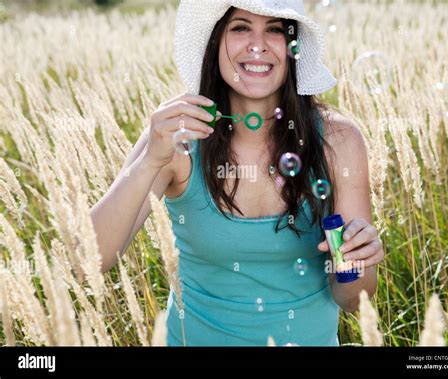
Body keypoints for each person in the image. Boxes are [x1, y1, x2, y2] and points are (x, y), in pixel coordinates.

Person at [91, 0, 384, 346]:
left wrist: (357, 262)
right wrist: (150, 161)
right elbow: (89, 262)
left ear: (292, 49)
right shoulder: (178, 136)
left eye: (274, 29)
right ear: (216, 42)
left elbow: (352, 300)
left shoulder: (337, 141)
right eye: (241, 27)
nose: (257, 45)